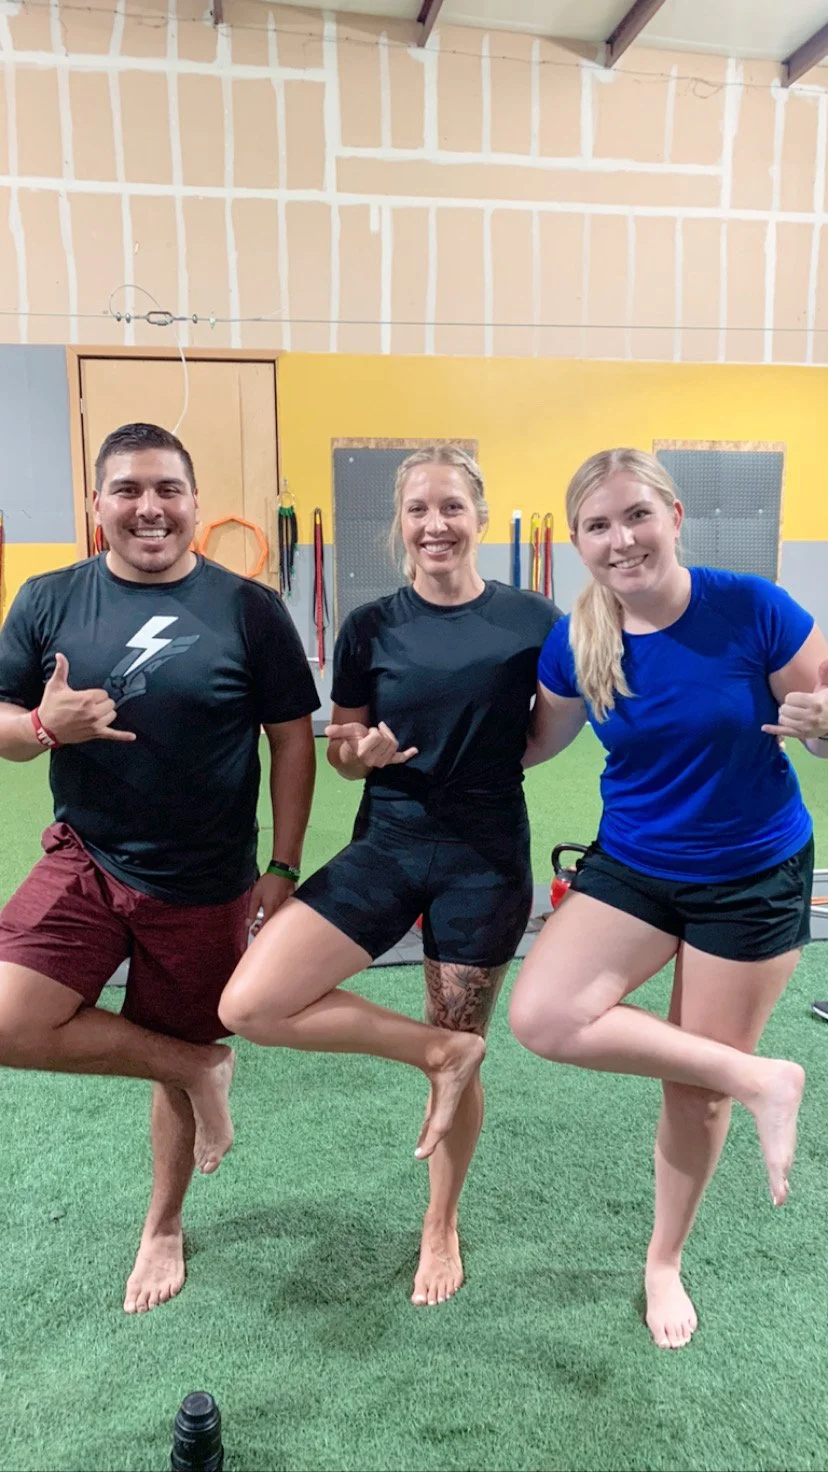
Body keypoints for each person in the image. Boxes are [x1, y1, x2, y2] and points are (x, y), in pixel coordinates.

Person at [219, 445, 560, 1306]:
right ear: (399, 523)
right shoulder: (370, 625)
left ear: (480, 515)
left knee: (464, 1059)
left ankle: (440, 1223)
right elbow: (341, 746)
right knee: (250, 1003)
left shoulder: (535, 619)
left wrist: (496, 766)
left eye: (451, 507)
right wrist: (359, 755)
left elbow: (549, 731)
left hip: (484, 859)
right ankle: (437, 1053)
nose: (434, 524)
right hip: (389, 845)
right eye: (418, 509)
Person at [509, 447, 828, 1350]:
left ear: (675, 516)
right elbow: (533, 745)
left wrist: (825, 728)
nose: (622, 540)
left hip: (752, 870)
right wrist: (407, 741)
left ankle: (662, 1262)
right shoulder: (577, 641)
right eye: (599, 526)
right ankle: (766, 1076)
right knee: (543, 1014)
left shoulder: (754, 608)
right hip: (637, 863)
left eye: (636, 516)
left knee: (693, 1093)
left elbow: (824, 731)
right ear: (577, 542)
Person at [0, 422, 319, 1316]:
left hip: (204, 880)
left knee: (163, 1071)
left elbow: (292, 741)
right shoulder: (48, 598)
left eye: (168, 489)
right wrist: (38, 728)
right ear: (97, 505)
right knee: (12, 1022)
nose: (150, 508)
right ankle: (201, 1066)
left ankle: (164, 1224)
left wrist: (283, 863)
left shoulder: (249, 609)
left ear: (194, 500)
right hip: (86, 858)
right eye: (128, 490)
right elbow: (5, 722)